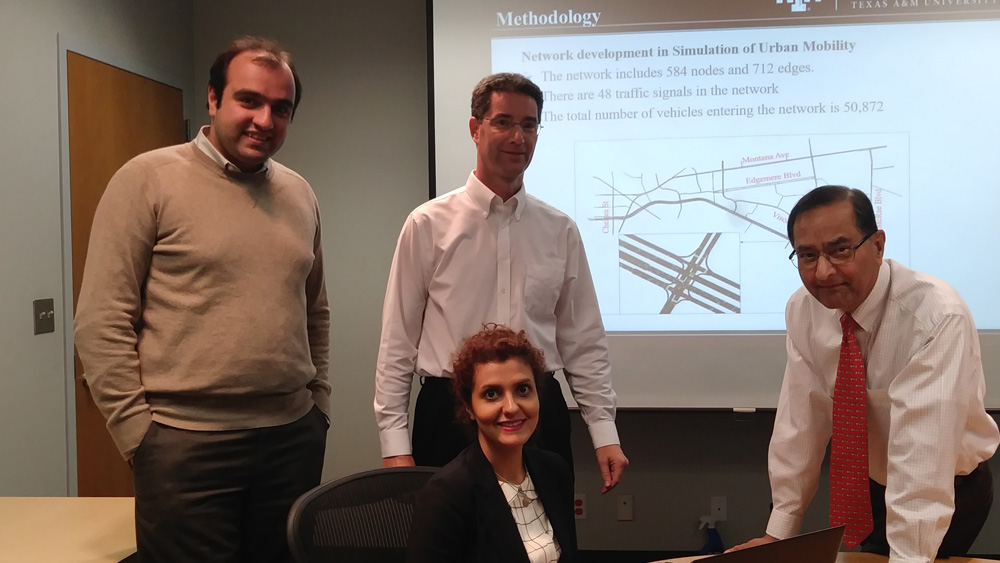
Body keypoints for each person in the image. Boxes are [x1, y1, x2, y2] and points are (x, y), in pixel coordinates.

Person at [74, 36, 330, 562]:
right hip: (183, 446)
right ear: (213, 99)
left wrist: (318, 406)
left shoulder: (300, 194)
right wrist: (138, 434)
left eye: (281, 108)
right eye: (249, 100)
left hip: (290, 438)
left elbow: (315, 310)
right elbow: (101, 320)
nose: (265, 119)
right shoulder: (146, 180)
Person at [374, 72, 627, 491]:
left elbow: (584, 342)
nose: (518, 137)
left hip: (537, 410)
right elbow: (397, 341)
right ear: (476, 129)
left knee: (544, 546)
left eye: (529, 125)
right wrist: (394, 442)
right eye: (504, 122)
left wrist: (604, 432)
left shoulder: (559, 230)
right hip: (450, 412)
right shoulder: (428, 224)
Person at [730, 185, 998, 562]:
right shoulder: (804, 309)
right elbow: (801, 421)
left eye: (841, 250)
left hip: (947, 485)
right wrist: (778, 533)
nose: (823, 272)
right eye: (807, 255)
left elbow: (923, 458)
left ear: (877, 245)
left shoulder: (935, 316)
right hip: (872, 483)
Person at [406, 324, 578, 563]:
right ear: (469, 407)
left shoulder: (554, 471)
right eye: (491, 394)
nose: (511, 407)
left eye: (523, 389)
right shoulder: (445, 495)